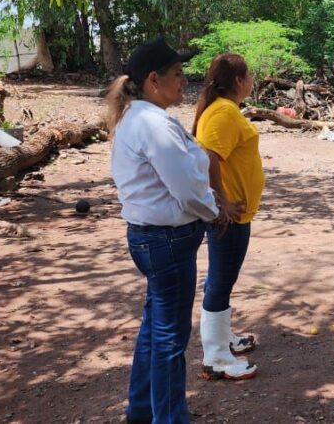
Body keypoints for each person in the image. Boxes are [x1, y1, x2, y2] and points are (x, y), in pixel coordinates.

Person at [107, 37, 241, 424]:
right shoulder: (152, 123)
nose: (185, 82)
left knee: (155, 329)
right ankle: (168, 417)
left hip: (152, 237)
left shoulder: (142, 117)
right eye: (178, 75)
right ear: (153, 80)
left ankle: (142, 409)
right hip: (166, 240)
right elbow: (185, 187)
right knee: (169, 339)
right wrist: (215, 211)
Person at [191, 53, 264, 381]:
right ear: (238, 81)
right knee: (221, 279)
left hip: (234, 213)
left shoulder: (224, 110)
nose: (252, 81)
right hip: (229, 217)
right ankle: (216, 357)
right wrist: (220, 201)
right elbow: (207, 156)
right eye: (249, 75)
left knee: (223, 278)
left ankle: (222, 339)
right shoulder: (223, 112)